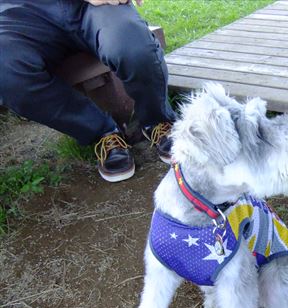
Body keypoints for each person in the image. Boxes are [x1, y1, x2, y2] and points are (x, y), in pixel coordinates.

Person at [0, 0, 177, 182]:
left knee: (134, 48)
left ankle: (158, 119)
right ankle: (102, 132)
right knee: (6, 74)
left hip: (92, 7)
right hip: (20, 11)